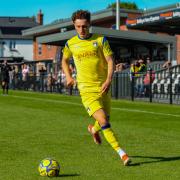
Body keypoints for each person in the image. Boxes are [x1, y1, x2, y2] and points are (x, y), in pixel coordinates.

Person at [62, 10, 131, 166]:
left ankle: (93, 130)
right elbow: (64, 61)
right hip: (86, 90)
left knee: (106, 118)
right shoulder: (70, 44)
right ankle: (122, 153)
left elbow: (110, 60)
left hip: (103, 87)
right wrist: (68, 76)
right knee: (104, 121)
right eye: (78, 26)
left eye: (85, 26)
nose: (82, 30)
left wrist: (108, 79)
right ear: (74, 25)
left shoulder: (100, 40)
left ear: (90, 24)